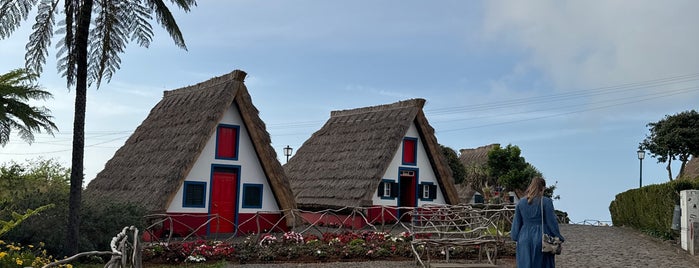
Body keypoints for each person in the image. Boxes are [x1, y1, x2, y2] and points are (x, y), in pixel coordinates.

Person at [511, 177, 565, 268]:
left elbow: (516, 224)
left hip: (524, 238)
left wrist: (515, 237)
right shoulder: (546, 202)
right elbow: (551, 222)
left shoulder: (521, 203)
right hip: (541, 238)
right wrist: (559, 237)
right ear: (543, 188)